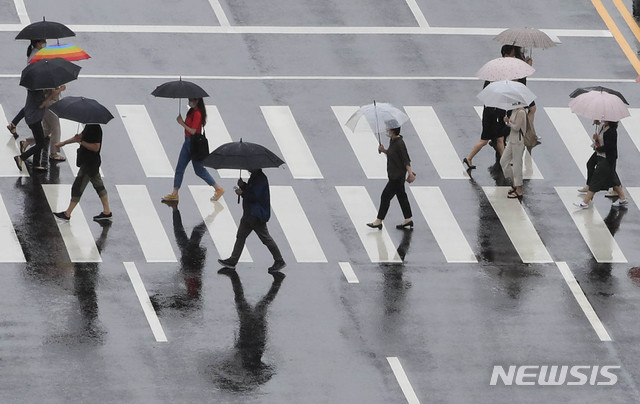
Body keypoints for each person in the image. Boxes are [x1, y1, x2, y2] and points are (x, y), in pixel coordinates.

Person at [218, 169, 286, 273]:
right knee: (240, 236)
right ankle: (233, 260)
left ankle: (279, 260)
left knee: (265, 238)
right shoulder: (255, 176)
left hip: (256, 215)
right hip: (249, 214)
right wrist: (243, 185)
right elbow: (251, 191)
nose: (248, 168)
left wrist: (242, 193)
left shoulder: (261, 179)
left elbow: (255, 196)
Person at [162, 98, 224, 202]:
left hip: (193, 144)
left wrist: (181, 123)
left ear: (197, 101)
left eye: (192, 99)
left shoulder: (197, 114)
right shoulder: (191, 111)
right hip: (188, 142)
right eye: (189, 99)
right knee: (180, 168)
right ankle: (175, 193)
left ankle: (218, 188)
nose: (190, 101)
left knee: (198, 170)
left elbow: (193, 131)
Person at [463, 46, 514, 169]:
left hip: (492, 112)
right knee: (485, 140)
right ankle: (469, 158)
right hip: (492, 114)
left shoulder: (491, 81)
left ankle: (504, 161)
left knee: (499, 139)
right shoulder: (496, 85)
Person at [52, 124, 113, 221]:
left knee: (77, 187)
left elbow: (96, 147)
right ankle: (107, 211)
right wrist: (63, 143)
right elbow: (79, 137)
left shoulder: (96, 128)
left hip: (89, 164)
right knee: (99, 186)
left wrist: (81, 142)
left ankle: (67, 214)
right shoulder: (90, 125)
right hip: (91, 163)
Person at [366, 121, 416, 230]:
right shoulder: (393, 141)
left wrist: (410, 173)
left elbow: (405, 160)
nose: (387, 130)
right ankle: (408, 219)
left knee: (385, 196)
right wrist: (383, 150)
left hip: (397, 177)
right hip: (395, 175)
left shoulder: (400, 144)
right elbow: (392, 154)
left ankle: (379, 220)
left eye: (388, 129)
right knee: (401, 196)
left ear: (393, 131)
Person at [574, 121, 627, 208]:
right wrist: (596, 139)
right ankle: (622, 198)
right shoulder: (603, 127)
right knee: (612, 177)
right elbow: (601, 141)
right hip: (600, 155)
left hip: (607, 158)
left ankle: (585, 202)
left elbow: (609, 147)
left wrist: (597, 148)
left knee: (596, 178)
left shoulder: (611, 131)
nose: (603, 118)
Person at [13, 84, 63, 172]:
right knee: (41, 143)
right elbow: (43, 104)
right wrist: (56, 92)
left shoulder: (33, 89)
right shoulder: (38, 93)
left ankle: (36, 164)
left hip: (32, 117)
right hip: (34, 119)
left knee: (39, 139)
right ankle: (21, 158)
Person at [7, 39, 47, 139]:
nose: (44, 44)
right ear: (38, 43)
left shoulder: (33, 52)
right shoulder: (37, 54)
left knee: (29, 106)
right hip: (35, 85)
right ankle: (14, 124)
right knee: (32, 106)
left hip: (31, 84)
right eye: (43, 42)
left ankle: (13, 124)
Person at [500, 106, 527, 198]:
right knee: (503, 161)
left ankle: (519, 190)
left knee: (517, 165)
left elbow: (516, 127)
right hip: (511, 140)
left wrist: (508, 122)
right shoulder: (514, 110)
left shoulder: (521, 112)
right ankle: (515, 183)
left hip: (518, 142)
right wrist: (507, 121)